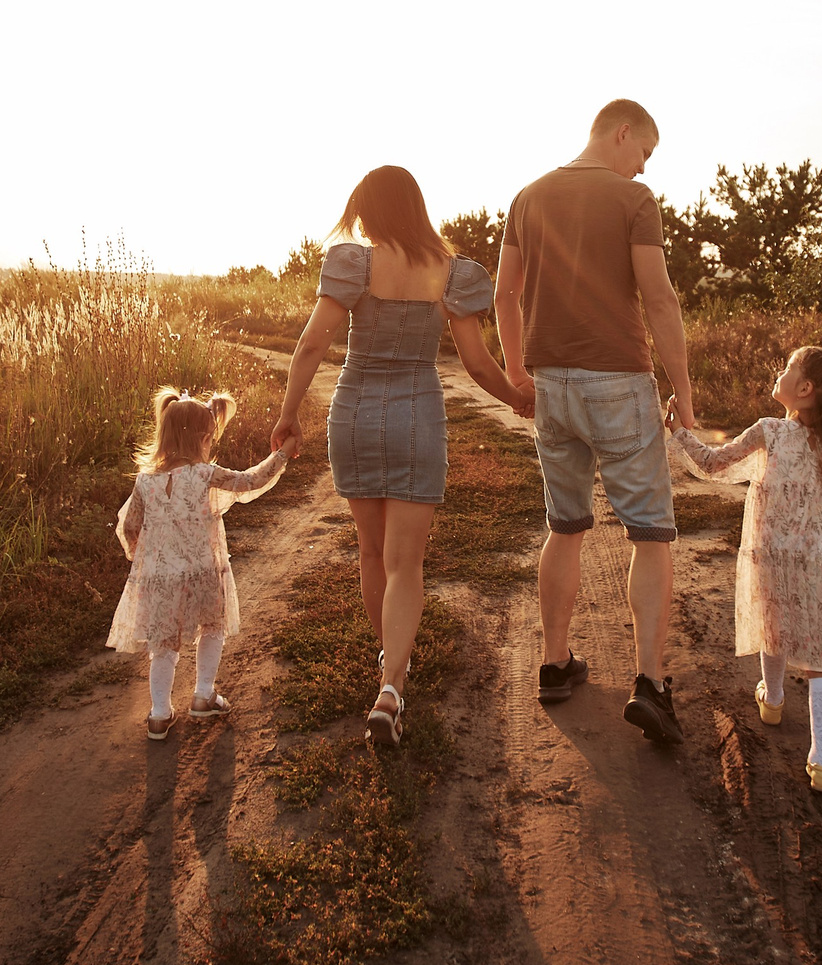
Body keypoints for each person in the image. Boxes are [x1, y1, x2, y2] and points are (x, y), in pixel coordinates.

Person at [272, 166, 528, 750]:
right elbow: (479, 364)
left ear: (372, 211)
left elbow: (314, 344)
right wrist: (518, 398)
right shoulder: (453, 272)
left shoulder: (353, 263)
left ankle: (390, 665)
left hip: (356, 411)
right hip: (418, 416)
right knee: (405, 564)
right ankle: (392, 688)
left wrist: (288, 412)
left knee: (371, 550)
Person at [495, 98, 697, 744]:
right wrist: (684, 391)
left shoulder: (527, 197)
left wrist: (517, 374)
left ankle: (555, 664)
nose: (642, 170)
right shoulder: (633, 203)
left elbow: (504, 295)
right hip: (619, 382)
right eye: (645, 153)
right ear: (622, 133)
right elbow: (659, 298)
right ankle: (649, 683)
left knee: (566, 522)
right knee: (652, 532)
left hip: (551, 383)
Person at [667, 346, 822, 792]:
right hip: (819, 564)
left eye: (788, 368)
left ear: (805, 389)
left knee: (773, 623)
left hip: (770, 555)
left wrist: (679, 433)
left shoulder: (770, 431)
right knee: (820, 661)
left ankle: (772, 700)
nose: (781, 372)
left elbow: (713, 464)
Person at [110, 387, 291, 740]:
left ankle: (159, 714)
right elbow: (250, 481)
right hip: (204, 571)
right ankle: (204, 694)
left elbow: (130, 526)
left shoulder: (146, 481)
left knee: (163, 644)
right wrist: (282, 455)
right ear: (202, 438)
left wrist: (140, 555)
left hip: (160, 576)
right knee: (212, 627)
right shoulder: (205, 474)